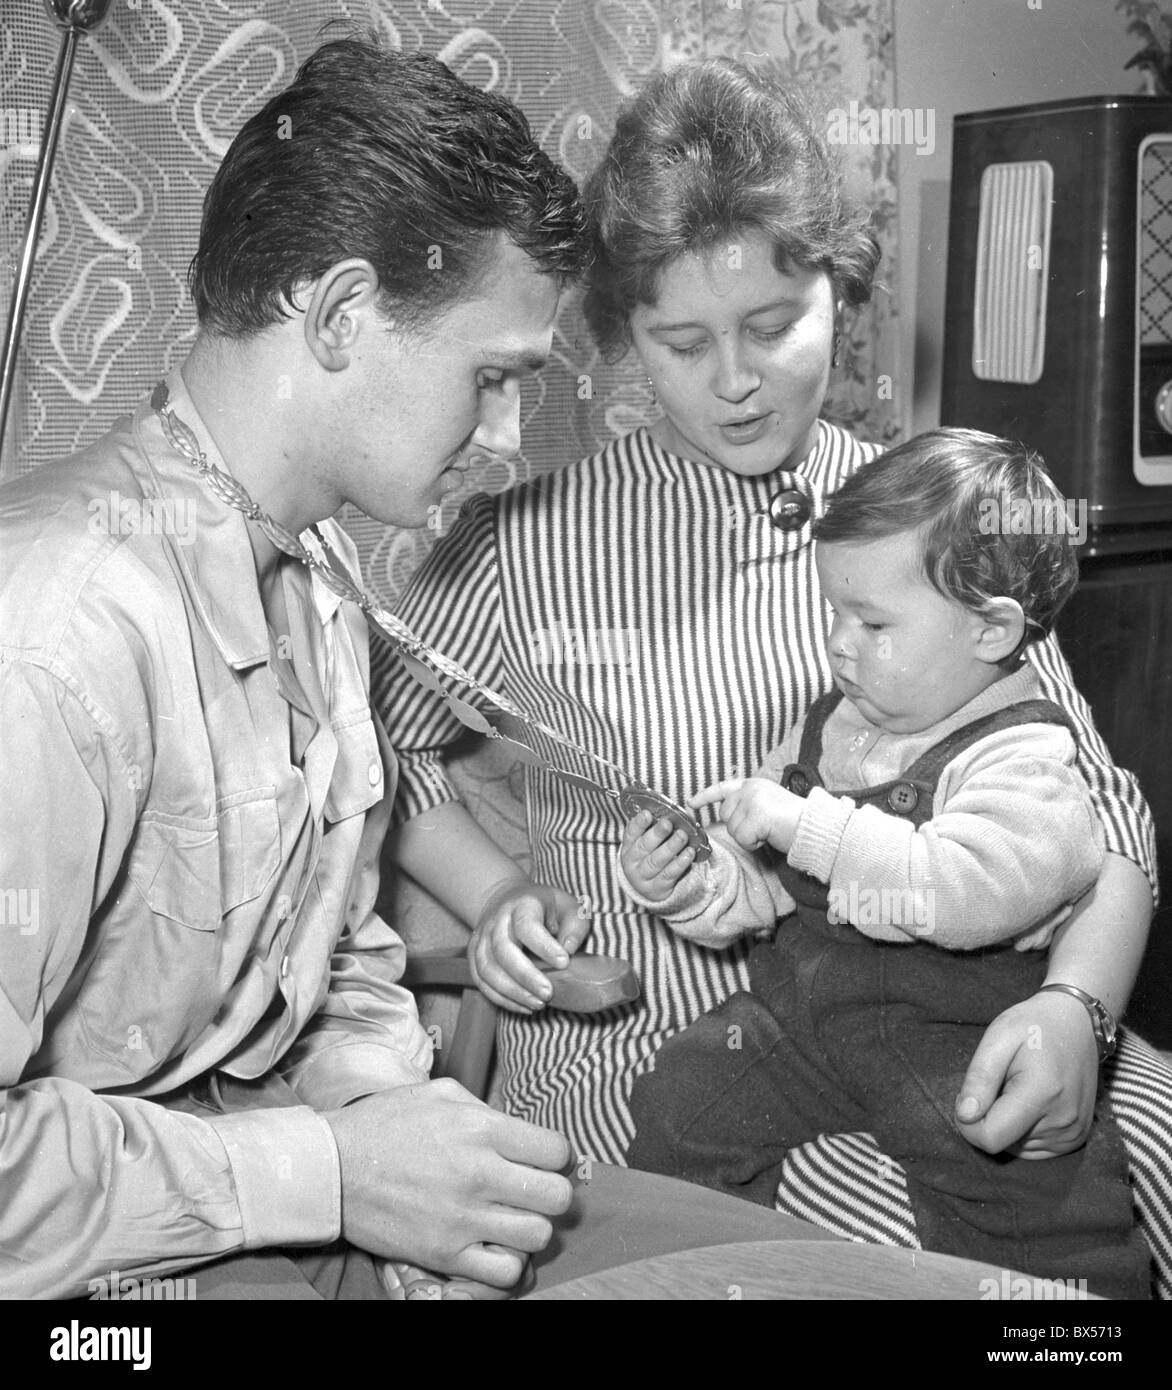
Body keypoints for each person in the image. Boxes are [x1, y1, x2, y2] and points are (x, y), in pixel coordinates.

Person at [375, 58, 1171, 1294]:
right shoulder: (519, 541)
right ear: (623, 333)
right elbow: (387, 742)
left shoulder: (920, 514)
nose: (733, 381)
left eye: (770, 327)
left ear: (837, 293)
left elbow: (1108, 811)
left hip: (963, 1011)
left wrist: (1078, 1010)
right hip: (660, 1056)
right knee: (987, 1285)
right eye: (680, 341)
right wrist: (489, 900)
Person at [0, 35, 593, 1300]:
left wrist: (415, 1166)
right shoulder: (58, 635)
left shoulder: (316, 573)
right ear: (335, 315)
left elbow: (324, 960)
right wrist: (328, 1177)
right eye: (491, 380)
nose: (503, 441)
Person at [619, 428, 1149, 1299]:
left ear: (991, 631)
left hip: (954, 1042)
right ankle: (686, 1281)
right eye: (834, 612)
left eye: (872, 623)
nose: (838, 644)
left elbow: (966, 892)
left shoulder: (1024, 758)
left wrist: (806, 825)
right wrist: (698, 883)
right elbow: (768, 897)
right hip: (800, 1024)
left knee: (1037, 1209)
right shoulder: (837, 723)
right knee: (681, 1099)